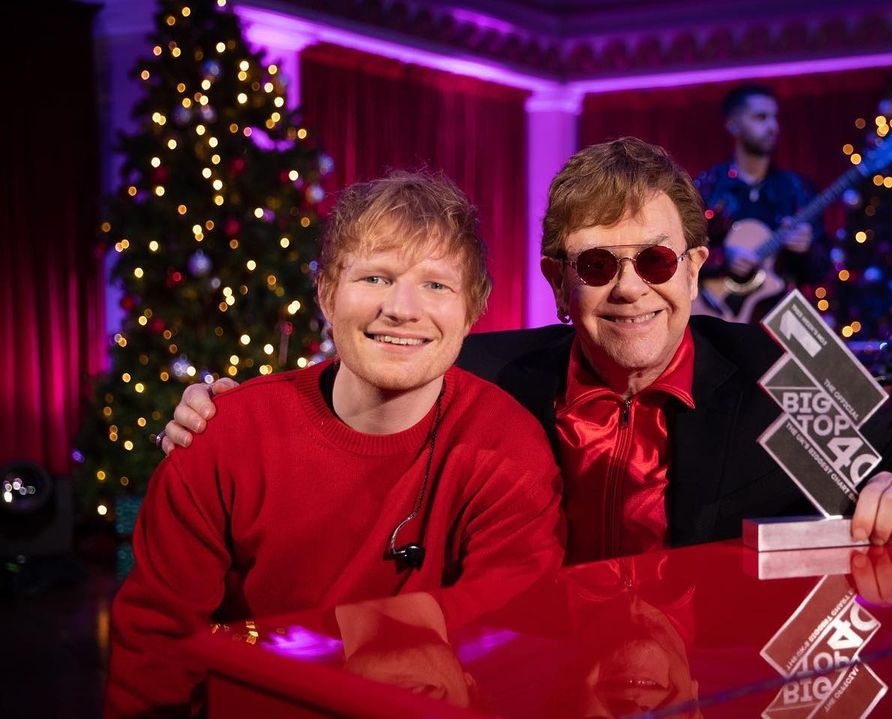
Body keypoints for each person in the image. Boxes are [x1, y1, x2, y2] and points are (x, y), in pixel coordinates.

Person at [163, 138, 892, 569]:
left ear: (697, 266)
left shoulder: (777, 365)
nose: (632, 288)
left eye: (658, 259)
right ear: (558, 280)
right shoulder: (486, 374)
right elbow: (366, 379)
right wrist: (228, 408)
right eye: (599, 264)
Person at [106, 172, 565, 716]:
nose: (402, 308)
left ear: (473, 310)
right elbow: (156, 647)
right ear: (326, 292)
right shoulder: (221, 436)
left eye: (437, 284)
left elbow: (508, 629)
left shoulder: (508, 448)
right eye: (374, 277)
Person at [692, 84, 825, 323]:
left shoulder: (796, 189)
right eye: (761, 117)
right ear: (733, 125)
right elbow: (682, 253)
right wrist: (722, 258)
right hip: (718, 315)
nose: (772, 127)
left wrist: (807, 249)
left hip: (783, 318)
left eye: (775, 118)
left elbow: (819, 271)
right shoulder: (709, 188)